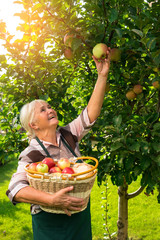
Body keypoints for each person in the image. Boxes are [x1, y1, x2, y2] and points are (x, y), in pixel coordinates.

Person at [6, 49, 110, 240]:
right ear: (33, 124)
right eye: (42, 110)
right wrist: (52, 200)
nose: (50, 109)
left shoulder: (68, 134)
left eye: (49, 106)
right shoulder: (32, 153)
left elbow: (90, 114)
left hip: (79, 218)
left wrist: (102, 75)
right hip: (50, 225)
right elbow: (15, 189)